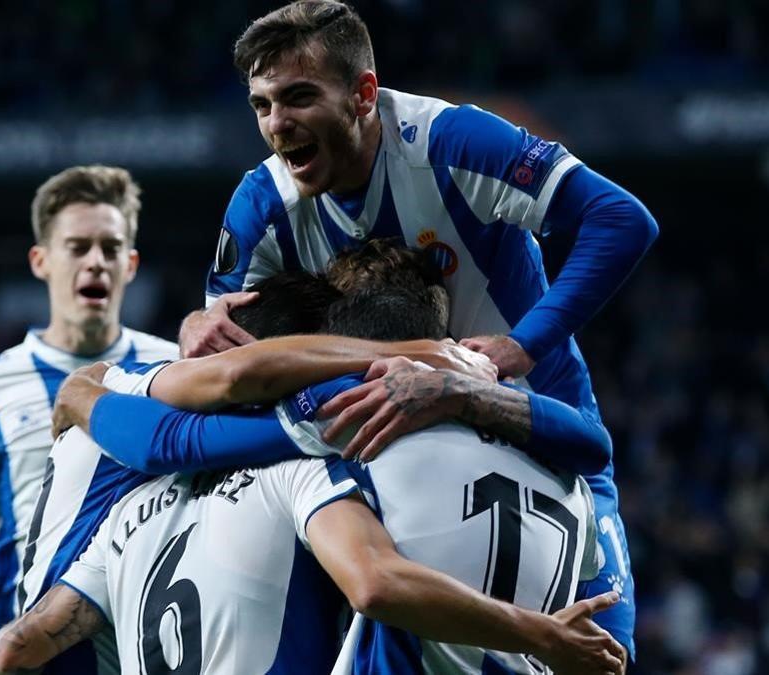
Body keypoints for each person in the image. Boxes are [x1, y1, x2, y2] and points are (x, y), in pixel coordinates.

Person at [178, 1, 657, 665]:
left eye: (297, 97)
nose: (276, 125)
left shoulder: (452, 142)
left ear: (364, 93)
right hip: (383, 456)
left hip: (533, 430)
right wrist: (198, 324)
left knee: (606, 657)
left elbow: (620, 218)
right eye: (261, 105)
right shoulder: (262, 204)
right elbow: (219, 354)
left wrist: (523, 344)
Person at [0, 272, 625, 675]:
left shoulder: (324, 444)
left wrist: (81, 390)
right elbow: (595, 444)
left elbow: (13, 651)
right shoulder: (552, 444)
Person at [0, 165, 178, 675]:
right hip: (29, 656)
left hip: (145, 647)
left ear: (131, 265)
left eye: (110, 248)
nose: (96, 262)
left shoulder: (174, 371)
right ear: (40, 261)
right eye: (78, 247)